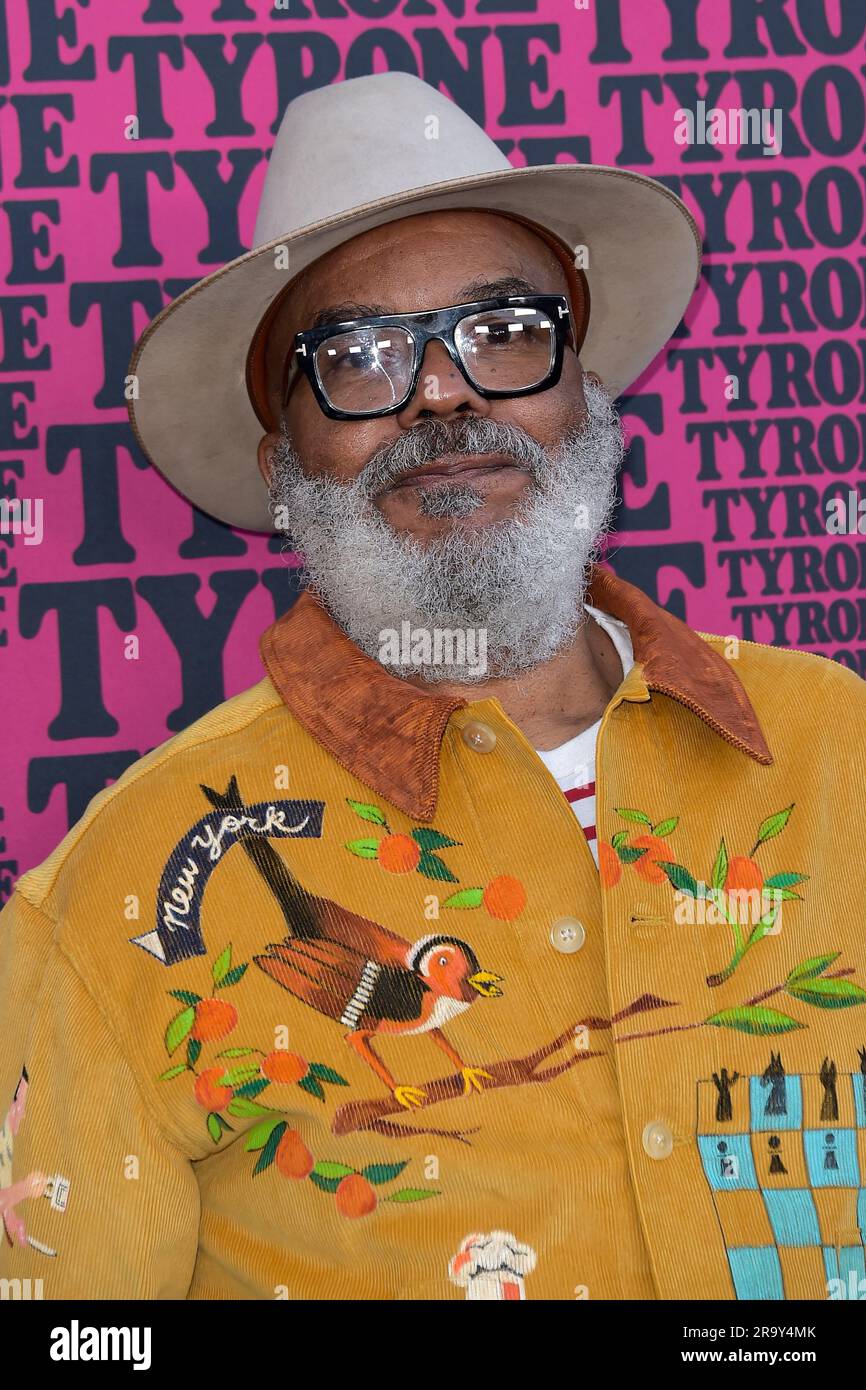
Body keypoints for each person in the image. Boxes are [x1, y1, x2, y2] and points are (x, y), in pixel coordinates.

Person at [1, 72, 863, 1302]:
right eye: (356, 358)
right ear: (284, 469)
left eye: (502, 332)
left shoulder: (840, 749)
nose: (442, 392)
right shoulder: (115, 899)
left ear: (586, 402)